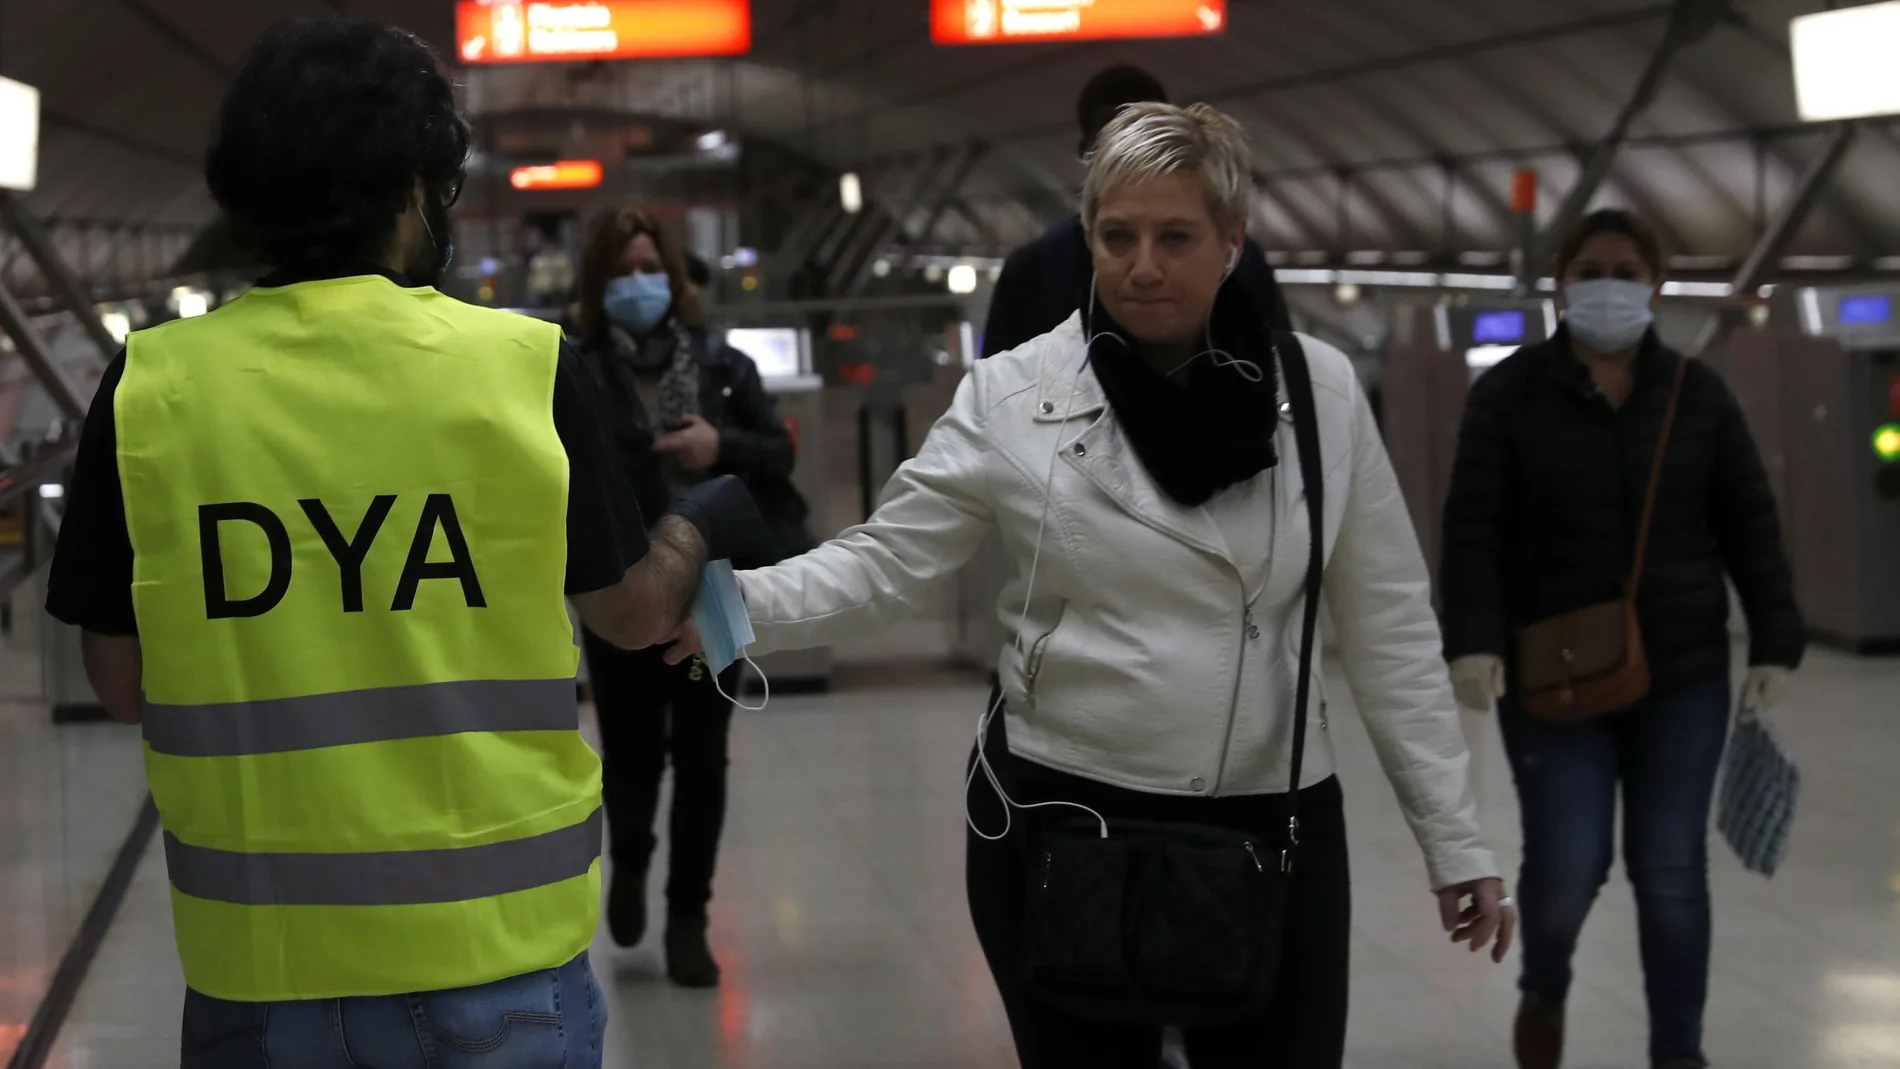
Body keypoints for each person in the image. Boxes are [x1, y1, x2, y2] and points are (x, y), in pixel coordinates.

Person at [678, 102, 1512, 1068]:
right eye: (1117, 236)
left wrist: (1455, 842)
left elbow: (1391, 628)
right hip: (1073, 821)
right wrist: (731, 609)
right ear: (1088, 239)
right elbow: (886, 560)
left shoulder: (1316, 395)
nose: (1142, 265)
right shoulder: (1015, 395)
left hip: (1271, 818)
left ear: (1233, 243)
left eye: (1175, 237)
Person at [43, 18, 759, 1068]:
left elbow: (117, 677)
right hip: (498, 954)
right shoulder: (519, 365)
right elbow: (633, 612)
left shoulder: (152, 388)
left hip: (259, 967)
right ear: (417, 191)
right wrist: (702, 525)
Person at [1439, 208, 1805, 1069]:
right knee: (1569, 862)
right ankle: (1547, 981)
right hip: (1551, 669)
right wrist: (1473, 637)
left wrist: (1777, 640)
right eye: (1591, 268)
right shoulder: (1510, 394)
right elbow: (1474, 526)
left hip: (1681, 670)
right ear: (1563, 282)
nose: (1610, 283)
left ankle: (1678, 1052)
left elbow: (1750, 519)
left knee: (1672, 873)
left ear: (1657, 284)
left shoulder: (1697, 394)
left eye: (1627, 270)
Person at [570, 206, 814, 988]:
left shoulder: (721, 362)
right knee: (633, 754)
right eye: (622, 270)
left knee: (704, 758)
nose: (639, 284)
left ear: (672, 279)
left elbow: (776, 452)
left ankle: (687, 920)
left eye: (650, 268)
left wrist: (720, 446)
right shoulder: (577, 370)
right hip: (624, 582)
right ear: (597, 284)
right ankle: (634, 862)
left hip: (713, 584)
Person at [980, 64, 1292, 358]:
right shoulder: (1033, 272)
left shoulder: (1241, 262)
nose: (1145, 271)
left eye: (1175, 237)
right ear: (1086, 152)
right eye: (1118, 237)